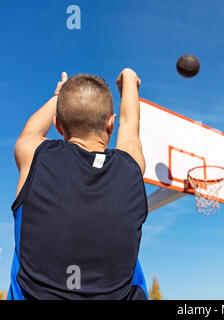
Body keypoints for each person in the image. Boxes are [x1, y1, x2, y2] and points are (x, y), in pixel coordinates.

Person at [7, 68, 149, 300]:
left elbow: (31, 129)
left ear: (57, 125)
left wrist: (58, 97)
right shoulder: (130, 165)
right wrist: (130, 81)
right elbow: (130, 124)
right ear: (110, 125)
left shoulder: (34, 154)